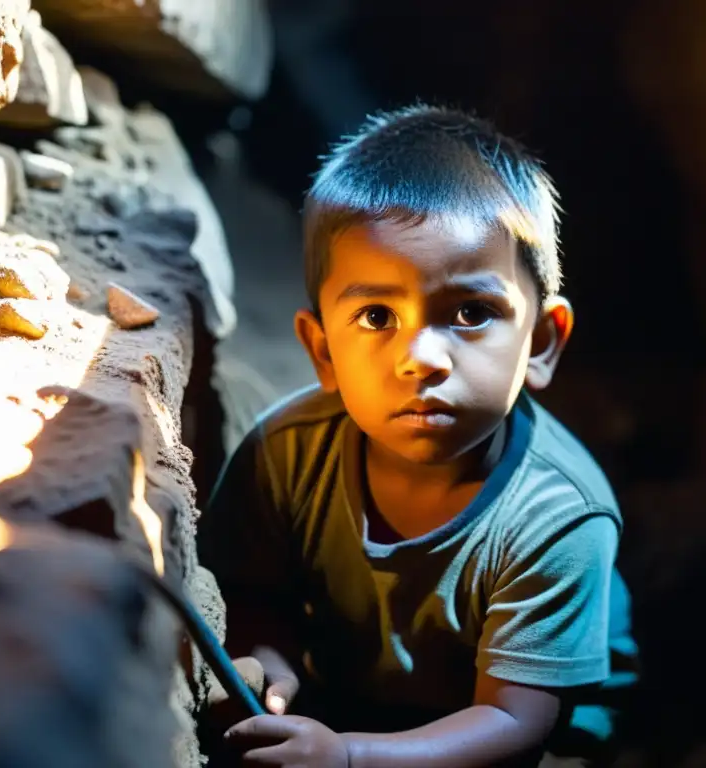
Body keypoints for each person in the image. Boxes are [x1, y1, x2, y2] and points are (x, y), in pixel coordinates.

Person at [197, 104, 638, 768]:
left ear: (541, 342)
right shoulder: (284, 456)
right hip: (365, 704)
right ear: (322, 351)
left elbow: (514, 719)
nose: (421, 358)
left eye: (470, 312)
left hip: (528, 732)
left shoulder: (558, 514)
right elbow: (252, 593)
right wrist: (271, 664)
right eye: (377, 315)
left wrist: (348, 757)